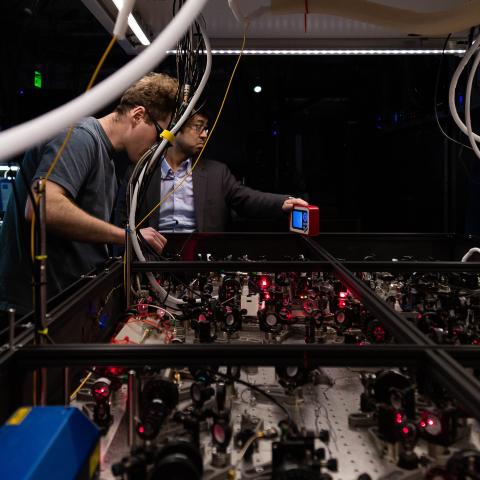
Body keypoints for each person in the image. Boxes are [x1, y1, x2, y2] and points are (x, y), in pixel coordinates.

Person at [0, 72, 178, 317]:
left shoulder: (110, 161)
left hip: (64, 304)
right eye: (160, 135)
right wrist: (128, 237)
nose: (158, 148)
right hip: (33, 313)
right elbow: (42, 207)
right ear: (138, 115)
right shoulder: (80, 136)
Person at [121, 109, 308, 233]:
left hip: (199, 263)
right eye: (198, 127)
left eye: (206, 128)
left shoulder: (217, 173)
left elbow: (247, 199)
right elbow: (122, 219)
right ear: (175, 128)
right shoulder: (140, 171)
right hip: (149, 264)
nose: (204, 134)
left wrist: (283, 202)